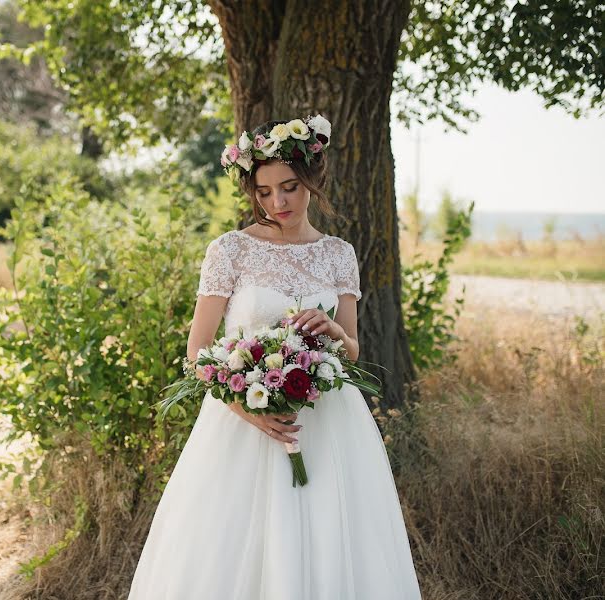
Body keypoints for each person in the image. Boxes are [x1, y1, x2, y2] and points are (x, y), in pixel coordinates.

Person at [127, 116, 422, 599]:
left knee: (329, 538)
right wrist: (250, 410)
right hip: (242, 422)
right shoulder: (230, 251)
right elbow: (198, 350)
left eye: (288, 187)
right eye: (264, 192)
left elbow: (351, 348)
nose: (277, 203)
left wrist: (332, 332)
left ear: (313, 178)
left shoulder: (338, 254)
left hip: (328, 422)